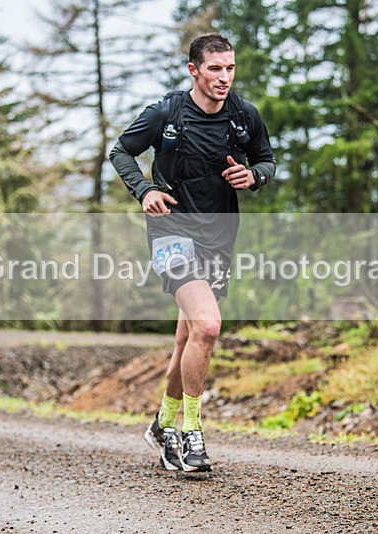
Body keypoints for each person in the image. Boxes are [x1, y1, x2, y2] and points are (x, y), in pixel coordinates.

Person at [109, 33, 276, 472]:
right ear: (194, 71)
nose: (225, 77)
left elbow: (266, 160)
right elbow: (120, 151)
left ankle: (162, 426)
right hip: (170, 233)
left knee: (189, 339)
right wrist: (143, 189)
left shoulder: (244, 116)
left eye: (230, 68)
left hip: (219, 237)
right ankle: (192, 432)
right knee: (208, 325)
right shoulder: (166, 112)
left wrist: (254, 176)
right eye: (215, 69)